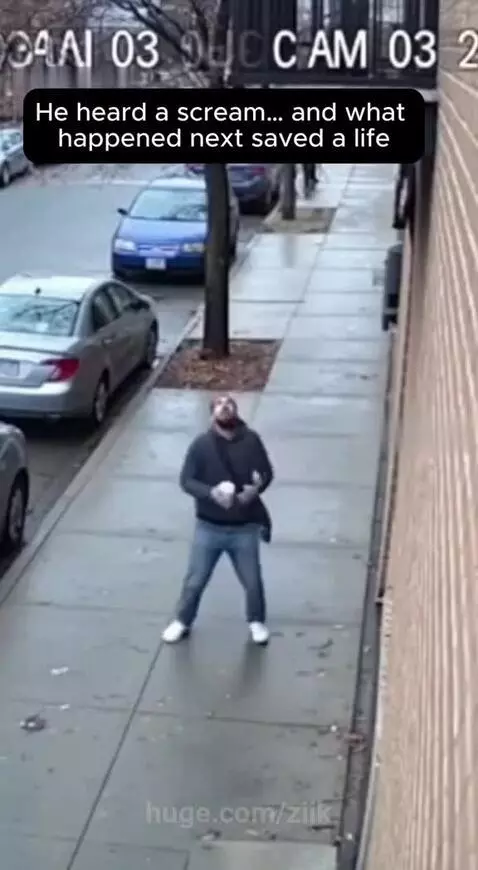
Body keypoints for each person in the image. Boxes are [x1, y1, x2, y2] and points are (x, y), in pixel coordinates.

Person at [162, 395, 274, 646]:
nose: (225, 408)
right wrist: (210, 493)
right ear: (212, 414)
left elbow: (267, 473)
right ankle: (182, 620)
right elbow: (186, 481)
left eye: (229, 404)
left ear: (236, 411)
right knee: (195, 580)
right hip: (208, 527)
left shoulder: (251, 441)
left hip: (244, 528)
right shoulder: (201, 445)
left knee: (252, 581)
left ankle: (256, 621)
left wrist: (253, 491)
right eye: (219, 405)